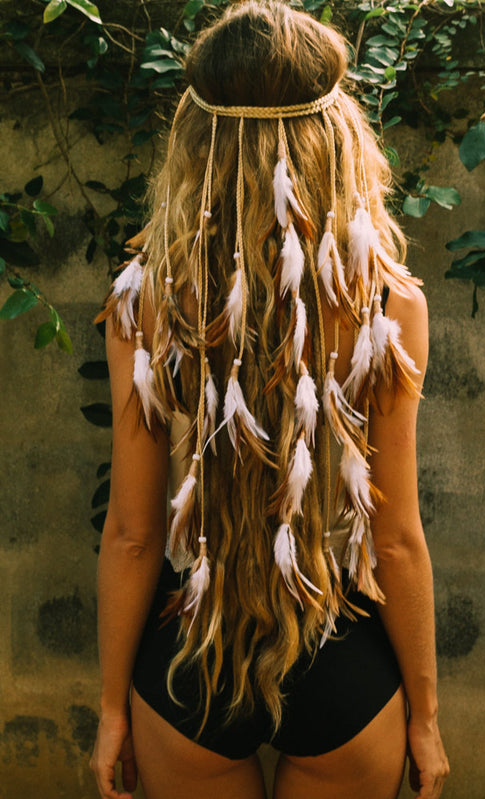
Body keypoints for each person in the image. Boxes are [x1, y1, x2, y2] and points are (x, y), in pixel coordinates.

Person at [90, 2, 449, 798]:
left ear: (194, 138)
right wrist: (423, 716)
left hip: (190, 657)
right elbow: (394, 538)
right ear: (337, 131)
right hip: (340, 654)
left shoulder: (148, 301)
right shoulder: (386, 304)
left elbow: (132, 534)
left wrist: (112, 707)